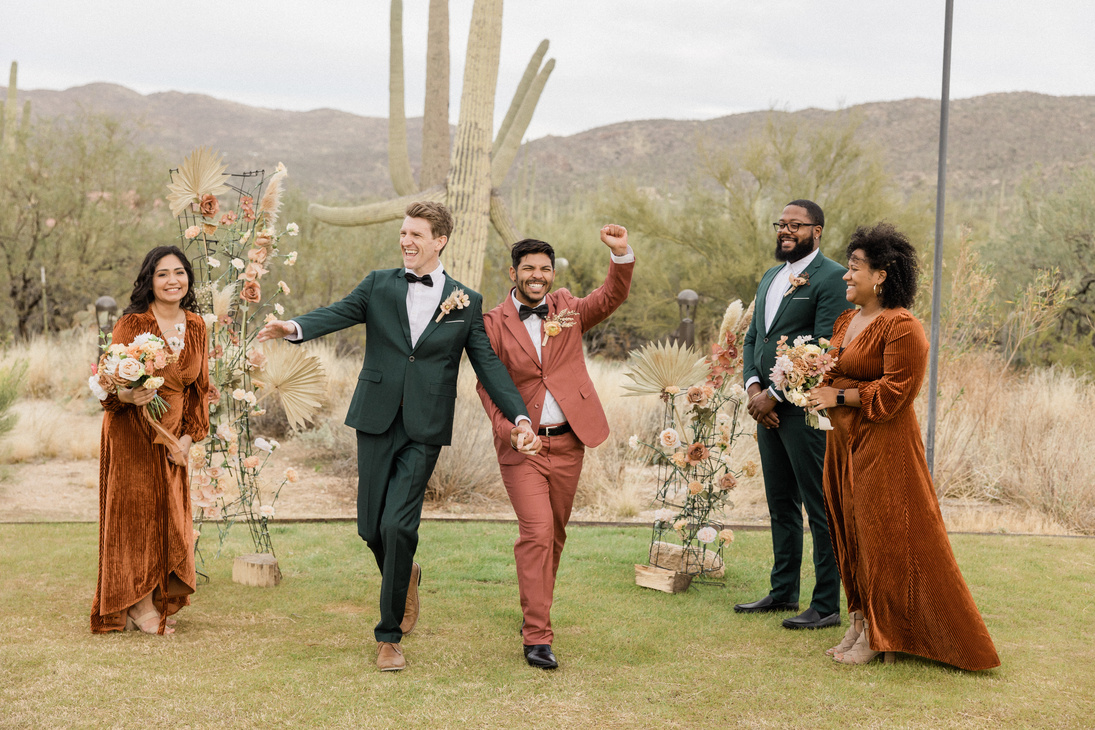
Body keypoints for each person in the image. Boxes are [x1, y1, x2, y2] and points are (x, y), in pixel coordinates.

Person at [257, 201, 538, 672]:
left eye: (416, 234)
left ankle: (389, 636)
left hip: (425, 427)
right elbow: (339, 312)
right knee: (370, 527)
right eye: (404, 233)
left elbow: (487, 363)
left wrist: (521, 418)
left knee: (398, 526)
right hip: (375, 417)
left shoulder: (465, 300)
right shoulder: (378, 284)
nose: (406, 241)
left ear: (439, 241)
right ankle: (405, 571)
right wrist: (293, 327)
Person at [807, 223, 1000, 669]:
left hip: (884, 446)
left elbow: (896, 393)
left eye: (854, 268)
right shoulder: (845, 321)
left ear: (881, 275)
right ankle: (859, 621)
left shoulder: (902, 326)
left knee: (883, 536)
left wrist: (837, 394)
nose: (845, 276)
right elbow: (832, 372)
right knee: (849, 531)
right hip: (843, 444)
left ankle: (883, 632)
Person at [475, 226, 634, 670]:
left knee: (555, 536)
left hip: (569, 443)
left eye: (545, 268)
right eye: (529, 269)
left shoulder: (566, 307)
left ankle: (535, 611)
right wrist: (510, 430)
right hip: (522, 449)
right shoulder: (492, 323)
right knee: (537, 535)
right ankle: (537, 637)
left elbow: (609, 297)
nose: (538, 276)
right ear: (514, 273)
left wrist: (620, 254)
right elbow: (487, 386)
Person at [737, 200, 853, 630]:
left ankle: (826, 604)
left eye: (795, 225)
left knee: (818, 505)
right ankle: (783, 591)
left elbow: (824, 347)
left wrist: (774, 394)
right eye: (781, 224)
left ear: (817, 230)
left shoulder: (832, 277)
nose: (785, 230)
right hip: (765, 410)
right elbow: (753, 338)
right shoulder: (770, 276)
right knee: (780, 504)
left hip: (803, 412)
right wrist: (753, 389)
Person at [91, 246, 209, 635]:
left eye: (179, 272)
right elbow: (109, 385)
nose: (172, 280)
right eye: (162, 274)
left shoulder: (197, 327)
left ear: (188, 278)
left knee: (168, 517)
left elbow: (200, 391)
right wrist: (127, 395)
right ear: (149, 280)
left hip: (173, 438)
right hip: (131, 432)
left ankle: (158, 596)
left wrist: (188, 440)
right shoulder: (131, 324)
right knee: (135, 517)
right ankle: (139, 606)